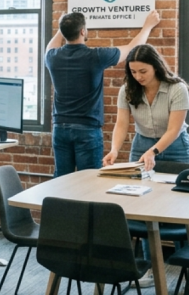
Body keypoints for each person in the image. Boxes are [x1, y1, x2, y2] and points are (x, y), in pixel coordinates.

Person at [102, 44, 189, 289]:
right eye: (133, 72)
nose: (138, 77)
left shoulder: (177, 88)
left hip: (175, 145)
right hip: (141, 142)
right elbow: (121, 124)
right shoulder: (127, 90)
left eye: (143, 71)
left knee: (181, 207)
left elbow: (174, 129)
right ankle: (148, 269)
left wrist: (154, 151)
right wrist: (114, 150)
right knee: (142, 205)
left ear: (156, 66)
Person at [45, 10, 160, 177]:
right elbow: (131, 49)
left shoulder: (53, 57)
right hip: (87, 129)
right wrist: (148, 26)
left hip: (60, 128)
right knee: (90, 180)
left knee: (61, 180)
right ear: (83, 31)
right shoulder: (95, 56)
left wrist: (62, 27)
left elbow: (50, 47)